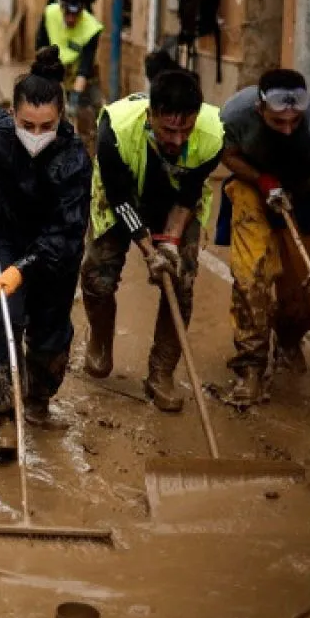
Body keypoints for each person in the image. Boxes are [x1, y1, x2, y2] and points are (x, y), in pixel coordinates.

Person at [0, 47, 92, 459]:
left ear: (61, 117)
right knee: (4, 325)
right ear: (11, 114)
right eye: (26, 123)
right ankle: (3, 418)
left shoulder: (74, 159)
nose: (35, 132)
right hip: (5, 237)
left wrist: (22, 270)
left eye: (46, 125)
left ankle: (37, 401)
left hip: (53, 255)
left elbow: (66, 235)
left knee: (49, 339)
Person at [80, 72, 222, 412]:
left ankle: (161, 372)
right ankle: (100, 340)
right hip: (122, 196)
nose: (176, 139)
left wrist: (169, 246)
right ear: (151, 115)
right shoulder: (115, 129)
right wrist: (147, 250)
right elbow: (120, 200)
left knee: (181, 279)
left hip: (175, 200)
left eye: (185, 130)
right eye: (168, 130)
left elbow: (189, 195)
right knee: (98, 275)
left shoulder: (214, 134)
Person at [218, 69, 310, 405]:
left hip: (307, 193)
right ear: (261, 110)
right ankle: (250, 366)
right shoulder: (235, 114)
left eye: (295, 121)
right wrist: (263, 181)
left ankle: (289, 339)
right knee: (251, 275)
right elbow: (227, 155)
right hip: (254, 190)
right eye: (278, 122)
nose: (288, 130)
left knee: (304, 291)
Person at [36, 0, 104, 139]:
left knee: (91, 113)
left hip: (82, 76)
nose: (72, 19)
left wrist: (75, 98)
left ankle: (90, 147)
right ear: (61, 9)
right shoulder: (50, 15)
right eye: (68, 14)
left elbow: (85, 66)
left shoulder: (91, 27)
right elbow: (41, 47)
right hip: (55, 68)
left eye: (76, 14)